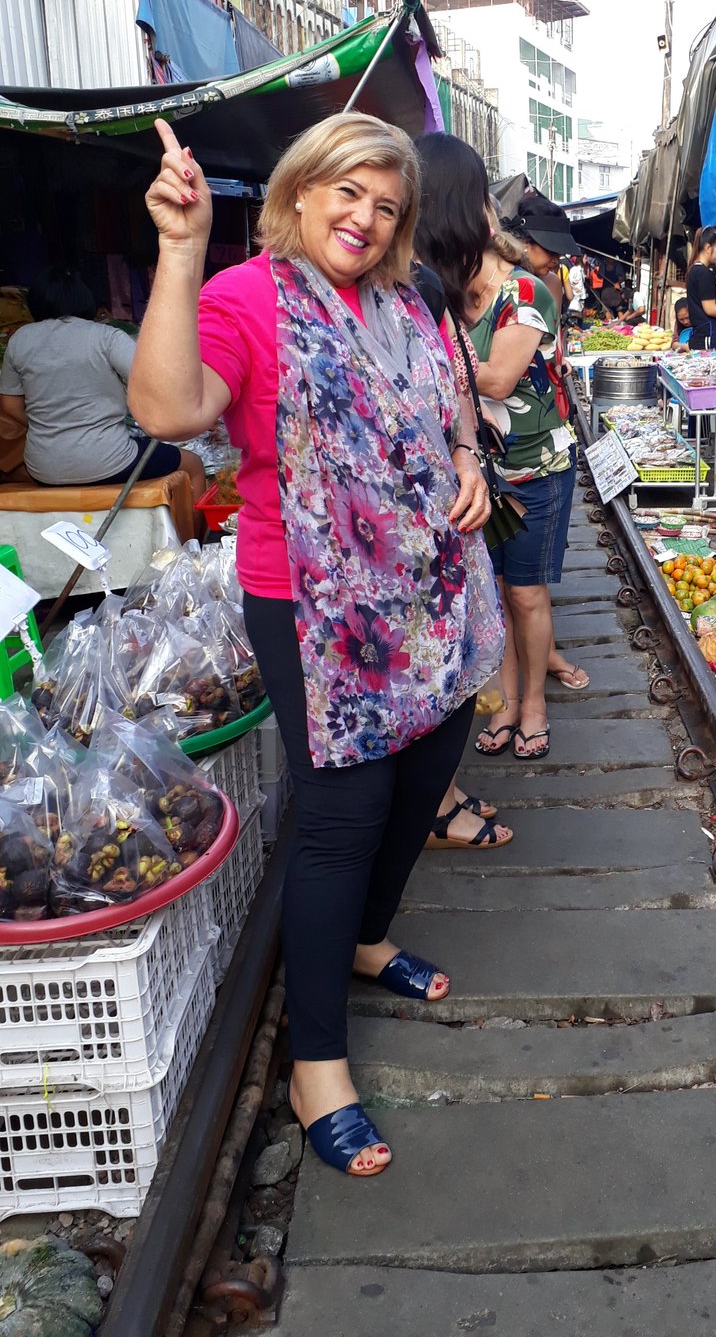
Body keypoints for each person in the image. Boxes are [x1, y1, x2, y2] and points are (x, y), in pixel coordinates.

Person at [129, 113, 502, 1179]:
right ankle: (317, 1063)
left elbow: (455, 409)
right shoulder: (249, 296)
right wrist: (181, 248)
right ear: (299, 194)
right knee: (345, 809)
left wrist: (470, 461)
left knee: (430, 770)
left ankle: (369, 937)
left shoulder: (409, 297)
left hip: (433, 592)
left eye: (385, 203)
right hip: (312, 604)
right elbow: (167, 403)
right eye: (347, 193)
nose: (365, 217)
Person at [415, 139, 578, 760]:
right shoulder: (449, 296)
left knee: (526, 593)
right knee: (493, 590)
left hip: (535, 470)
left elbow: (495, 379)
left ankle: (534, 704)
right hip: (477, 474)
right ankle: (507, 704)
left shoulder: (528, 293)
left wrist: (432, 354)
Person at [0, 270, 206, 510]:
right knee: (194, 465)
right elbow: (153, 382)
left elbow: (9, 406)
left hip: (44, 468)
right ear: (85, 301)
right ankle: (194, 544)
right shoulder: (107, 337)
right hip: (111, 462)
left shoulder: (20, 340)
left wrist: (50, 422)